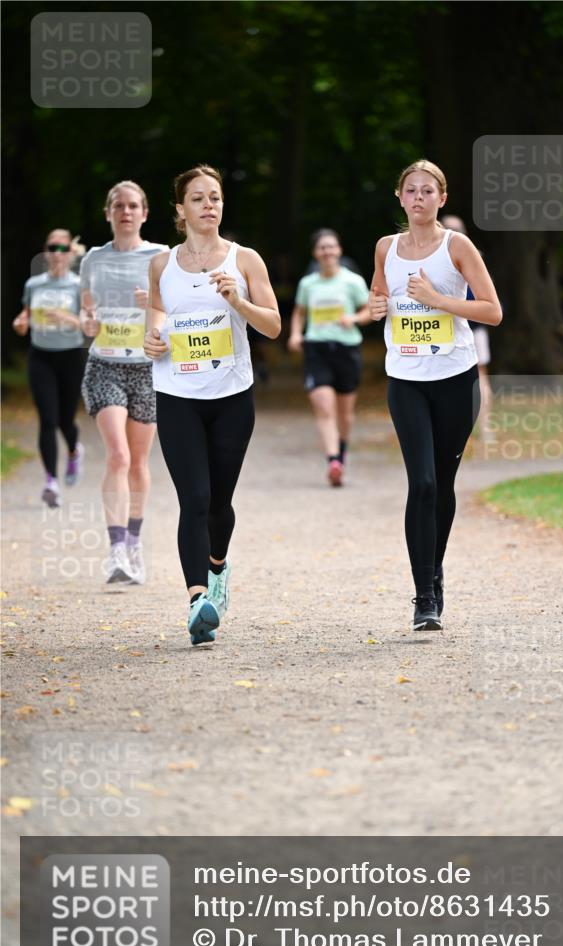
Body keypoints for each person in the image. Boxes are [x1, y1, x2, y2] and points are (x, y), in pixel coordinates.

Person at [143, 165, 281, 646]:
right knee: (194, 499)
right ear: (180, 210)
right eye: (198, 198)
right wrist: (152, 337)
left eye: (216, 197)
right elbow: (158, 314)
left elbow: (273, 326)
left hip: (231, 397)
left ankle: (217, 568)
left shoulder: (245, 260)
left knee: (220, 503)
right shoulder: (162, 264)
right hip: (177, 395)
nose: (209, 205)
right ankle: (198, 602)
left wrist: (239, 302)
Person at [370, 160, 502, 631]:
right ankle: (424, 594)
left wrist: (438, 300)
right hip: (405, 378)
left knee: (442, 484)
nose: (420, 197)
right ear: (400, 198)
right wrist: (375, 305)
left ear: (442, 199)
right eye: (412, 190)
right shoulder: (386, 248)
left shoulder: (457, 246)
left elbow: (492, 310)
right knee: (421, 482)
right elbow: (377, 298)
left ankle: (435, 568)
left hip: (455, 378)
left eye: (429, 191)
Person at [79, 181, 168, 584]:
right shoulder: (93, 260)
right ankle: (116, 549)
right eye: (119, 205)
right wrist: (88, 324)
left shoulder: (161, 257)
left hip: (147, 368)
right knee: (118, 456)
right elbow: (85, 315)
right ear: (108, 213)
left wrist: (150, 304)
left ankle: (134, 541)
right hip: (105, 365)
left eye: (134, 206)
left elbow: (174, 312)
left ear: (144, 214)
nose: (126, 212)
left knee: (139, 462)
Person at [288, 229, 371, 486]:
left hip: (346, 350)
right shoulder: (308, 284)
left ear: (339, 250)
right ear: (315, 253)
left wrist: (354, 318)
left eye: (331, 247)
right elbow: (299, 312)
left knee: (345, 414)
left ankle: (341, 454)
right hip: (317, 350)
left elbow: (369, 310)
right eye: (322, 248)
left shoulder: (353, 281)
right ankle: (333, 460)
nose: (327, 252)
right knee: (324, 408)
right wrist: (295, 334)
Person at [13, 229, 86, 508]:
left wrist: (69, 319)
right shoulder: (34, 284)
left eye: (62, 248)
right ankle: (50, 483)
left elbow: (90, 325)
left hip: (69, 358)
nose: (56, 254)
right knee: (47, 419)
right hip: (41, 357)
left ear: (70, 253)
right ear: (46, 252)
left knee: (65, 420)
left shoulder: (79, 286)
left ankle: (73, 451)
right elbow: (25, 316)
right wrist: (20, 323)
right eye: (52, 247)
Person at [441, 214, 495, 443]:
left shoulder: (456, 257)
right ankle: (482, 429)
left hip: (462, 324)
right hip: (460, 324)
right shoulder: (475, 255)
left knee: (478, 376)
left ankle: (483, 427)